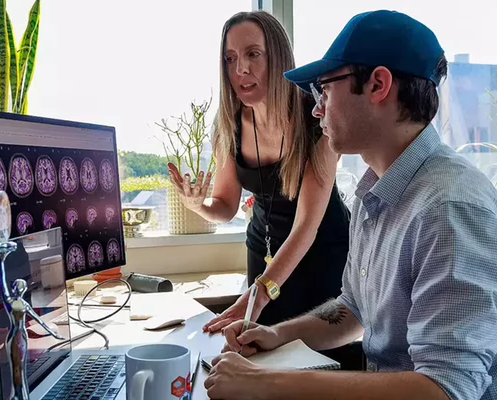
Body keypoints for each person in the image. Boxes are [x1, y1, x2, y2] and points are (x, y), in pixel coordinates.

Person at [204, 10, 497, 400]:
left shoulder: (449, 207)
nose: (316, 108)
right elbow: (353, 311)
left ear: (378, 84)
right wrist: (277, 334)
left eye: (324, 88)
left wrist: (266, 382)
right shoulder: (372, 196)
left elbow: (446, 388)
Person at [167, 11, 350, 330]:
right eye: (230, 58)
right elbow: (224, 207)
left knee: (317, 362)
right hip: (263, 252)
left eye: (253, 54)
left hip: (322, 252)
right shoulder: (229, 124)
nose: (241, 69)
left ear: (278, 58)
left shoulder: (316, 118)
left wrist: (263, 292)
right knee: (263, 354)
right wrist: (199, 206)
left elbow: (306, 227)